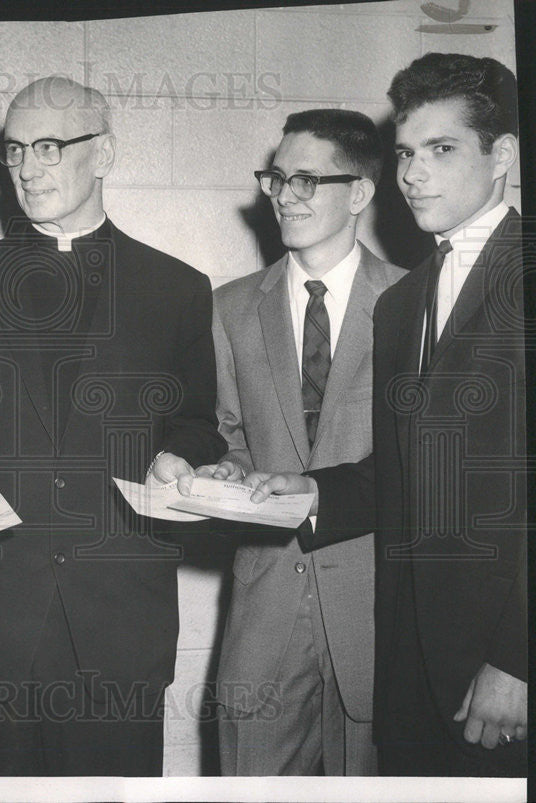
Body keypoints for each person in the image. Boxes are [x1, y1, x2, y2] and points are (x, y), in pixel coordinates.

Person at [0, 76, 225, 776]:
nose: (28, 167)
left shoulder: (179, 289)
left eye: (49, 146)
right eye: (15, 151)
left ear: (102, 153)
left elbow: (197, 423)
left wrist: (178, 457)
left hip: (117, 627)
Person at [244, 53, 526, 777]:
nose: (413, 174)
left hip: (502, 670)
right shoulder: (403, 302)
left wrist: (518, 659)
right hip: (409, 668)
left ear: (503, 156)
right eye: (406, 153)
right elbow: (400, 475)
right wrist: (315, 493)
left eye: (441, 150)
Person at [195, 109, 404, 775]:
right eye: (278, 178)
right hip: (265, 608)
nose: (284, 195)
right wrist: (224, 472)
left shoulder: (412, 303)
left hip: (379, 609)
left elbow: (422, 465)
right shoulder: (229, 308)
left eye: (307, 180)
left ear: (362, 193)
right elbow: (230, 437)